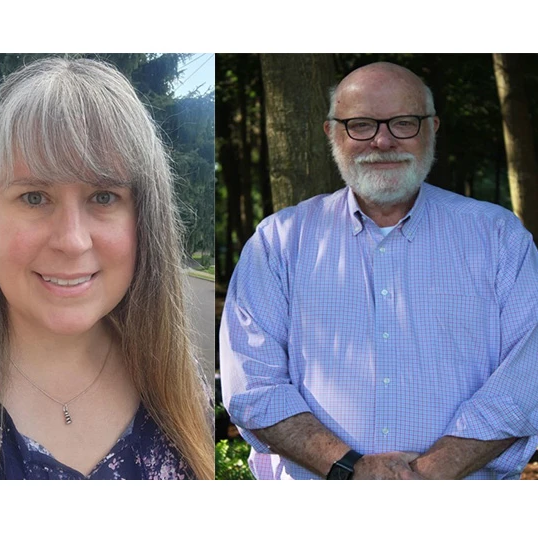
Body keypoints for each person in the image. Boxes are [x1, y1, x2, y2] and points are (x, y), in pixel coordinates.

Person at [219, 61, 538, 480]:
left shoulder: (499, 237)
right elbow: (252, 386)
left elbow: (525, 378)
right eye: (361, 124)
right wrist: (352, 471)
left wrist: (427, 476)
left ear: (432, 128)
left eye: (404, 122)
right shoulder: (278, 242)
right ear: (332, 132)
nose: (383, 140)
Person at [0, 57, 213, 480]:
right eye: (35, 197)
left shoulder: (179, 379)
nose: (72, 241)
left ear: (144, 215)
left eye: (104, 197)